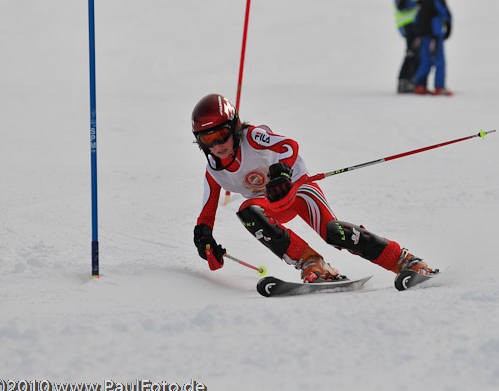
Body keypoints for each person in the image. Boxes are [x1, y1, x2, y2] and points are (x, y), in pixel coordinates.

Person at [191, 93, 435, 283]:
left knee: (333, 233)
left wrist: (283, 172)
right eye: (207, 139)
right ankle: (312, 263)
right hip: (271, 204)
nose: (218, 145)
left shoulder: (252, 137)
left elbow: (288, 145)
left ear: (234, 127)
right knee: (248, 212)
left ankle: (405, 261)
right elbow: (207, 211)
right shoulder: (214, 171)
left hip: (297, 189)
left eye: (222, 134)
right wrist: (204, 237)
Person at [413, 0, 453, 96]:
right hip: (434, 33)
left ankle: (420, 86)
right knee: (439, 61)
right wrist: (449, 28)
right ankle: (439, 87)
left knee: (425, 61)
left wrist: (419, 32)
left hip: (424, 34)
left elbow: (417, 18)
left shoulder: (421, 2)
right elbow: (446, 13)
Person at [395, 0, 422, 93]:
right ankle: (404, 81)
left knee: (416, 52)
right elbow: (401, 5)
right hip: (407, 23)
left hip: (414, 23)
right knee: (412, 52)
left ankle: (410, 80)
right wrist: (418, 3)